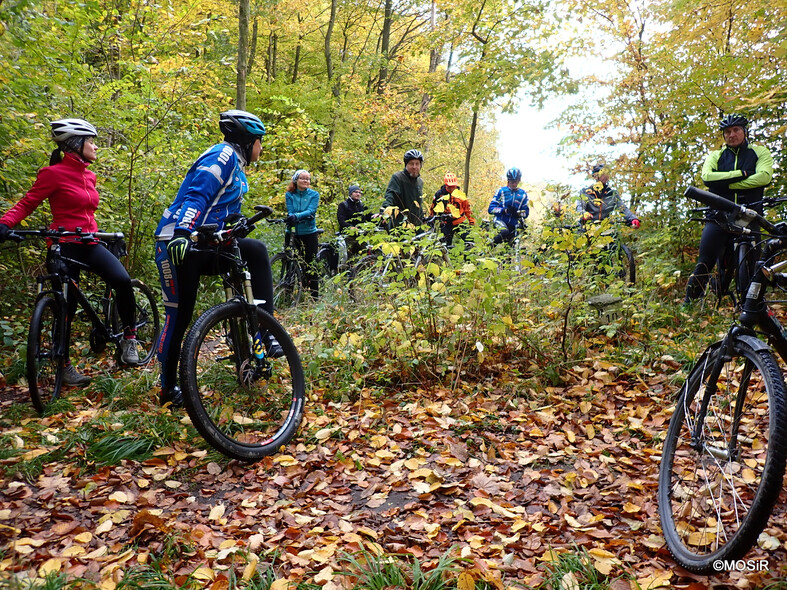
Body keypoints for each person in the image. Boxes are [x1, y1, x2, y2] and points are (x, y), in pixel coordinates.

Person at [154, 109, 281, 408]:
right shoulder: (222, 156)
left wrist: (238, 224)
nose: (261, 148)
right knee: (179, 316)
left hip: (205, 241)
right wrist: (183, 232)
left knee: (255, 251)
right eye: (259, 141)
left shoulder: (237, 166)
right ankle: (167, 388)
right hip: (175, 242)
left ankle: (263, 332)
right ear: (247, 140)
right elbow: (197, 195)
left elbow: (220, 209)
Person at [0, 118, 139, 386]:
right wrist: (5, 224)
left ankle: (130, 339)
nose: (95, 147)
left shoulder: (90, 174)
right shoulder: (52, 174)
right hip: (63, 246)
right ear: (76, 144)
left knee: (122, 280)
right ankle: (62, 365)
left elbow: (86, 211)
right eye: (91, 141)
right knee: (66, 304)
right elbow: (27, 204)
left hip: (89, 242)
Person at [684, 114, 774, 303]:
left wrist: (725, 185)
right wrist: (741, 174)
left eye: (736, 130)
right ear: (724, 136)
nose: (732, 135)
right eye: (727, 132)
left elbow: (764, 177)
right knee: (705, 261)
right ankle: (688, 305)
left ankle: (751, 307)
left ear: (744, 131)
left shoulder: (760, 152)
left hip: (750, 214)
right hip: (718, 215)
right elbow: (707, 177)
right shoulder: (715, 156)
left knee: (754, 265)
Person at [285, 169, 320, 299]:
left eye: (308, 179)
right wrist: (293, 216)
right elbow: (290, 210)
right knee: (290, 262)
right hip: (292, 232)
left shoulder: (314, 195)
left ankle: (314, 296)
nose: (305, 181)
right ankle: (288, 296)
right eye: (302, 178)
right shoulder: (289, 194)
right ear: (296, 180)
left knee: (310, 264)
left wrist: (296, 216)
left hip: (309, 233)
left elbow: (311, 211)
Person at [382, 149, 424, 228]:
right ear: (406, 165)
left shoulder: (420, 182)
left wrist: (422, 218)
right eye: (411, 164)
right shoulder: (398, 178)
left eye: (417, 164)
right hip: (400, 225)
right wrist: (384, 211)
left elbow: (419, 205)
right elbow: (390, 195)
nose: (414, 167)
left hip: (417, 226)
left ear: (420, 165)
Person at [430, 172, 475, 247]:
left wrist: (471, 219)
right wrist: (432, 220)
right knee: (445, 245)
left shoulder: (460, 195)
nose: (452, 188)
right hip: (446, 223)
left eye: (453, 186)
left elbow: (467, 208)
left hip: (460, 221)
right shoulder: (439, 194)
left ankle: (468, 257)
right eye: (449, 187)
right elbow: (433, 207)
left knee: (470, 240)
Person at [488, 167, 529, 245]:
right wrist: (504, 210)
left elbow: (526, 213)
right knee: (504, 231)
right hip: (500, 220)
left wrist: (517, 213)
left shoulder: (523, 194)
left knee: (512, 245)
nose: (514, 184)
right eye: (512, 182)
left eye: (516, 182)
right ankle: (488, 247)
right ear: (508, 181)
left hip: (514, 224)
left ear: (519, 180)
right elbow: (491, 209)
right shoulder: (501, 191)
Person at [337, 184, 371, 257]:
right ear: (350, 193)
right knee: (349, 258)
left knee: (365, 256)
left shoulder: (362, 205)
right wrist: (351, 227)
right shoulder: (343, 205)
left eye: (359, 192)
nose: (358, 194)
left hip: (362, 236)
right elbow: (341, 220)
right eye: (355, 192)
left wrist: (379, 218)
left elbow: (369, 217)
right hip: (348, 237)